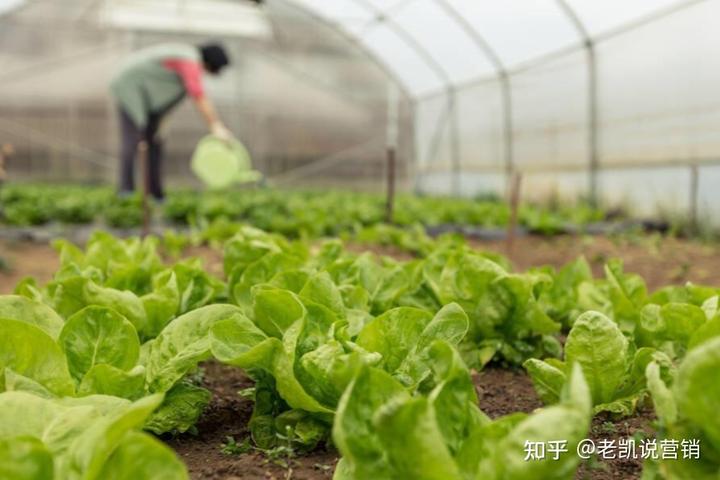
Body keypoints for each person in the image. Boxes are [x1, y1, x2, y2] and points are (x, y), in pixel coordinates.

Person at [110, 43, 234, 200]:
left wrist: (161, 123)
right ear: (210, 63)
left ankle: (155, 194)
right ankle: (126, 192)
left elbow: (169, 97)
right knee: (133, 141)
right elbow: (197, 94)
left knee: (155, 143)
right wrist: (216, 125)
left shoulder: (186, 59)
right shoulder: (189, 60)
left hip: (147, 99)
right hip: (130, 90)